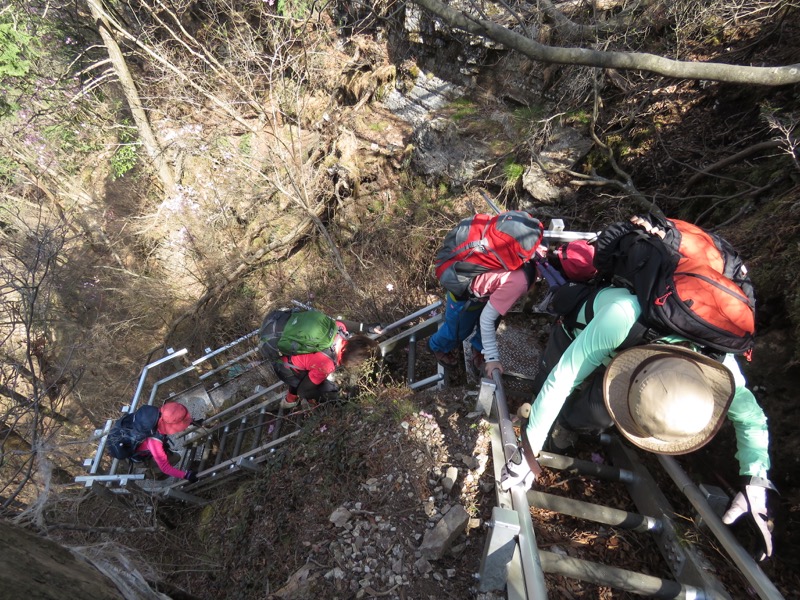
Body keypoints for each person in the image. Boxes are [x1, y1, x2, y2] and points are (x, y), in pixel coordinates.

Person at [500, 284, 776, 560]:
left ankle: (567, 426)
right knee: (545, 384)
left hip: (629, 358)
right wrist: (528, 451)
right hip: (581, 332)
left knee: (592, 416)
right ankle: (546, 418)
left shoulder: (718, 362)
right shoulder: (623, 317)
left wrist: (755, 481)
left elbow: (752, 418)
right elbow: (563, 378)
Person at [428, 261, 538, 376]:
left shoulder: (531, 257)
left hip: (486, 292)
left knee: (492, 319)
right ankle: (436, 346)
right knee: (458, 331)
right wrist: (492, 358)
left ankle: (479, 347)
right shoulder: (521, 281)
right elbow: (487, 319)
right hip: (464, 292)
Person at [271, 319, 380, 410]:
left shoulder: (339, 331)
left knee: (305, 371)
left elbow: (342, 322)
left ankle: (290, 399)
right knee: (318, 387)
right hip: (284, 368)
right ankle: (291, 402)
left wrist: (367, 327)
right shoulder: (326, 365)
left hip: (286, 351)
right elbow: (303, 390)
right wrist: (327, 398)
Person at [133, 401, 199, 483]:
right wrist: (186, 475)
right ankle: (151, 474)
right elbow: (165, 467)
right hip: (140, 458)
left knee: (173, 456)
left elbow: (175, 418)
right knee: (175, 458)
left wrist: (190, 422)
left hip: (147, 447)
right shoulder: (154, 441)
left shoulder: (158, 415)